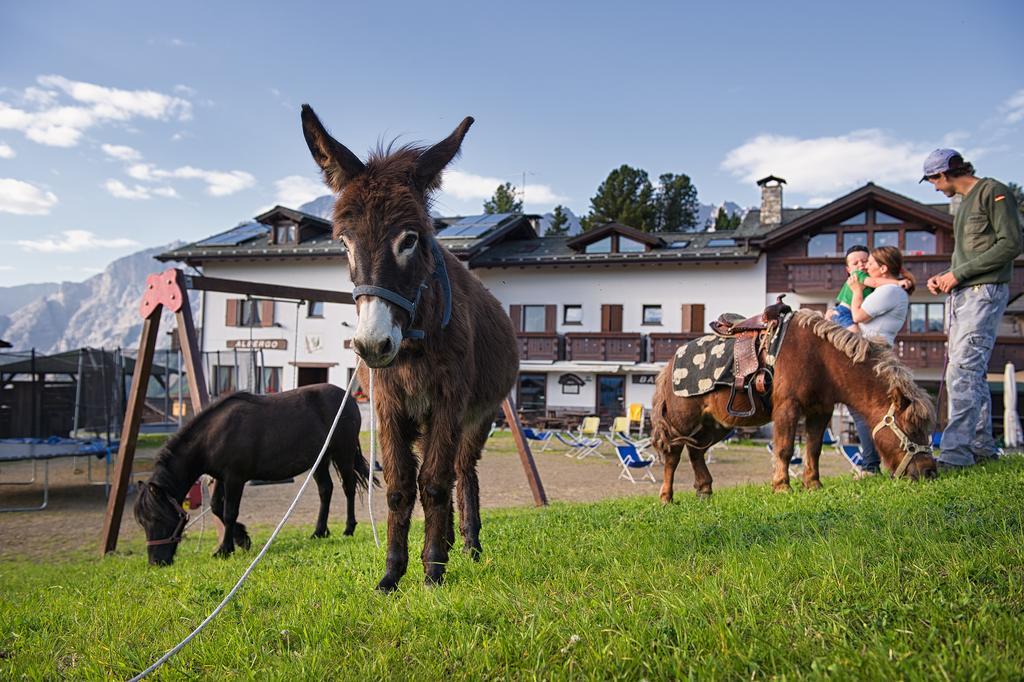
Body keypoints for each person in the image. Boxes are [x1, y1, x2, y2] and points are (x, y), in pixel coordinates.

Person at [921, 149, 1023, 470]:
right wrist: (945, 277)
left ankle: (955, 456)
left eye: (933, 181)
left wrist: (958, 275)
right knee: (968, 372)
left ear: (944, 174)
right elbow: (968, 257)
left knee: (962, 370)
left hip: (985, 292)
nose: (935, 188)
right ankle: (980, 448)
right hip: (965, 294)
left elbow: (1011, 244)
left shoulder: (993, 192)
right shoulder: (965, 204)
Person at [845, 245, 914, 473]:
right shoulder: (892, 290)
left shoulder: (890, 292)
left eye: (871, 263)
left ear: (883, 269)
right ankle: (877, 463)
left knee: (861, 410)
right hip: (875, 352)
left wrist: (855, 290)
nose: (867, 267)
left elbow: (857, 315)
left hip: (872, 354)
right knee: (869, 411)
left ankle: (871, 465)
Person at [828, 244, 912, 331]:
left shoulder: (887, 290)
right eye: (855, 263)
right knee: (854, 332)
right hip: (844, 312)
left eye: (865, 261)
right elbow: (875, 282)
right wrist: (897, 282)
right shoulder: (858, 275)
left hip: (851, 313)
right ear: (849, 270)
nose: (861, 265)